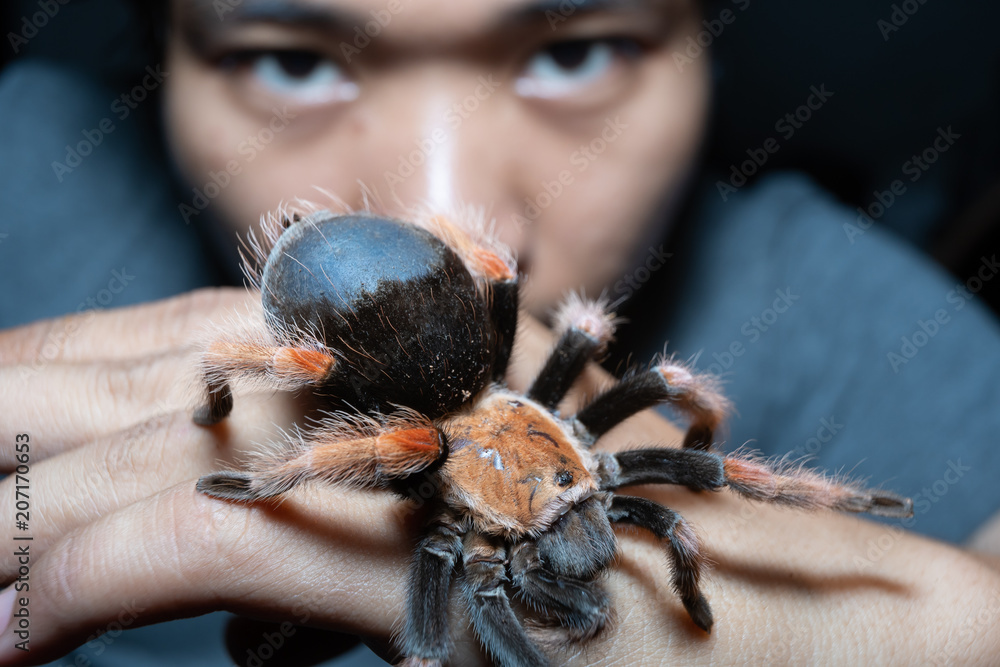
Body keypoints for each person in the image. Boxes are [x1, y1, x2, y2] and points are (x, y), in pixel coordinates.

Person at [1, 0, 999, 665]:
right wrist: (270, 472)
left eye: (572, 48)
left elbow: (686, 446)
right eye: (291, 61)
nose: (442, 199)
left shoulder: (862, 313)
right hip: (419, 400)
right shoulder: (28, 158)